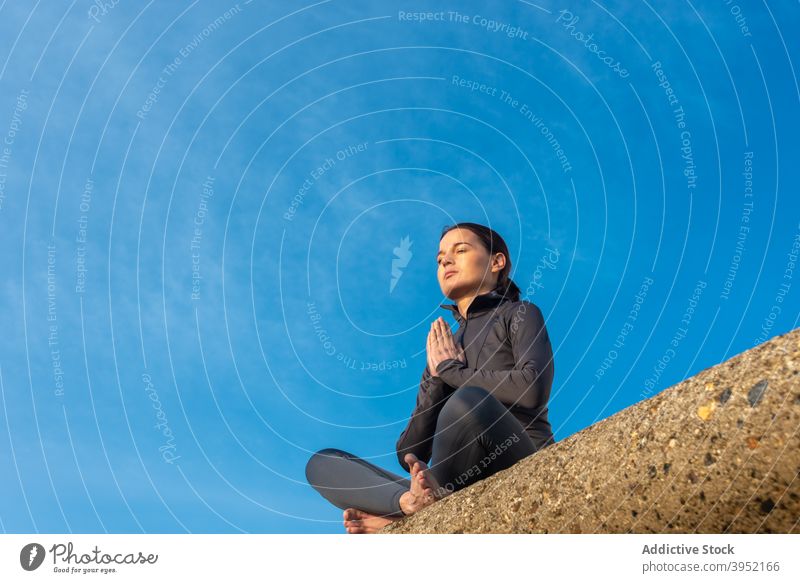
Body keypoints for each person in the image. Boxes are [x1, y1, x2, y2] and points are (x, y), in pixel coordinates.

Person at [305, 222, 556, 533]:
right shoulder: (443, 350)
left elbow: (532, 389)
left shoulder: (519, 314)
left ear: (496, 262)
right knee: (323, 463)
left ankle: (401, 522)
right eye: (439, 259)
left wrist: (454, 372)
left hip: (519, 459)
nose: (446, 261)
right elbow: (409, 451)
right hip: (445, 487)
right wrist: (438, 379)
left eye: (460, 250)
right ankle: (407, 506)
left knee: (468, 402)